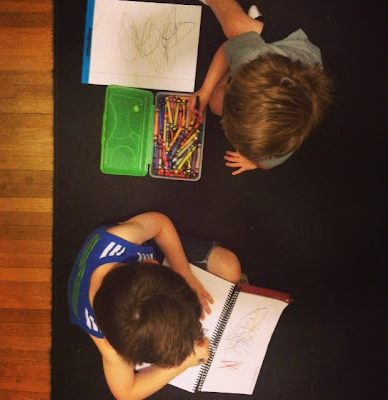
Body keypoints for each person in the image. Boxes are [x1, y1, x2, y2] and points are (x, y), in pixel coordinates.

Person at [68, 211, 242, 400]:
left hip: (152, 262)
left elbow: (160, 224)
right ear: (112, 346)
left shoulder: (120, 239)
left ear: (152, 263)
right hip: (147, 280)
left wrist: (185, 273)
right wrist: (186, 362)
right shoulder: (103, 334)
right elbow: (126, 394)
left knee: (229, 268)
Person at [188, 0, 334, 174]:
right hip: (285, 41)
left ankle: (248, 41)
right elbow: (228, 48)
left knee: (215, 105)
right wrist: (205, 90)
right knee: (234, 27)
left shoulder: (286, 138)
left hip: (288, 65)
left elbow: (266, 163)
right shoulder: (250, 57)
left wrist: (254, 162)